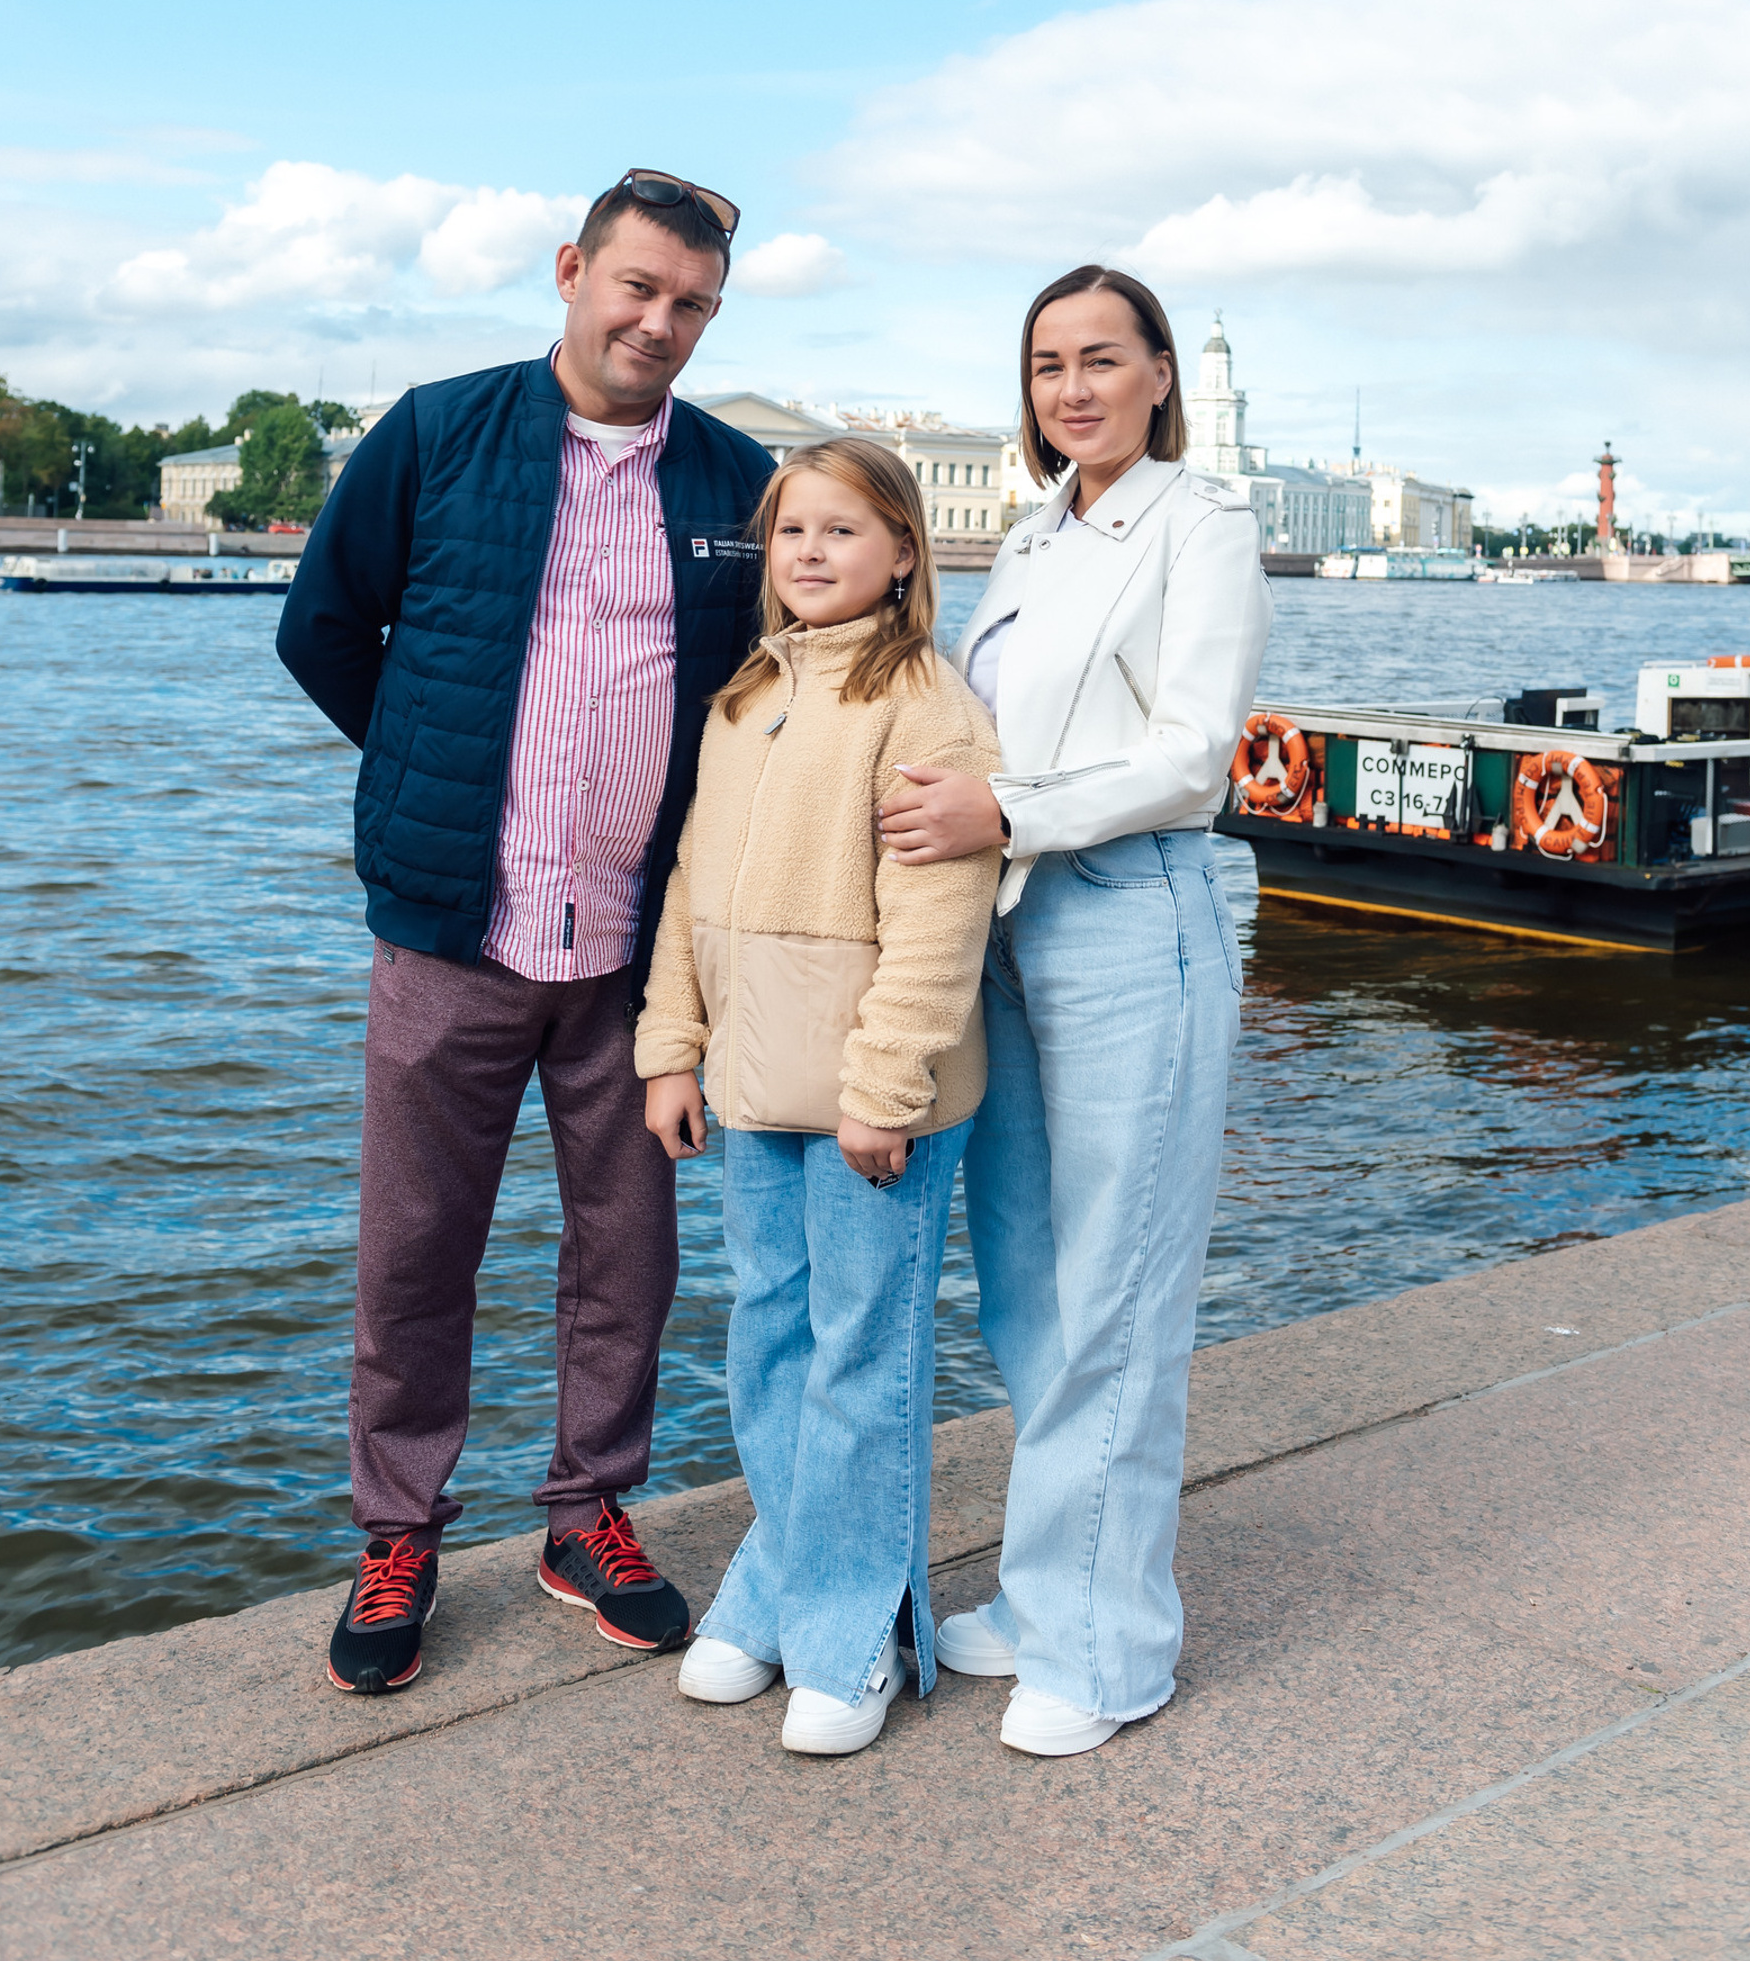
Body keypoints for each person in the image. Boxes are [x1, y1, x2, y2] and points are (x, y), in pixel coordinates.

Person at [276, 170, 774, 1696]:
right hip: (453, 928)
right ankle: (400, 1529)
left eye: (691, 304)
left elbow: (766, 688)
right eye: (636, 288)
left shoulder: (736, 481)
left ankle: (585, 1513)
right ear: (571, 271)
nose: (658, 324)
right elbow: (322, 628)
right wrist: (437, 777)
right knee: (416, 1244)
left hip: (638, 947)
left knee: (628, 1245)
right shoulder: (436, 431)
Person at [878, 265, 1271, 1758]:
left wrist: (1005, 809)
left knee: (1117, 1289)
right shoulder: (1038, 532)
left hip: (1128, 918)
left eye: (1104, 360)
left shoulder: (1200, 520)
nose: (1073, 389)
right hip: (1016, 925)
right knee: (1033, 1286)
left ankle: (1111, 1649)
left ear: (1163, 373)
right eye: (1048, 364)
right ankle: (1053, 1595)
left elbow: (1192, 760)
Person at [636, 438, 1001, 1755]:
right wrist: (670, 1048)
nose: (811, 554)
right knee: (768, 1339)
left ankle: (853, 1641)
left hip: (871, 1099)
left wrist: (884, 1090)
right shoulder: (744, 700)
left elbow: (940, 917)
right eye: (792, 532)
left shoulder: (926, 707)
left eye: (844, 532)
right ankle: (784, 1585)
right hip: (752, 1082)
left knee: (863, 1356)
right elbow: (689, 886)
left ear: (905, 551)